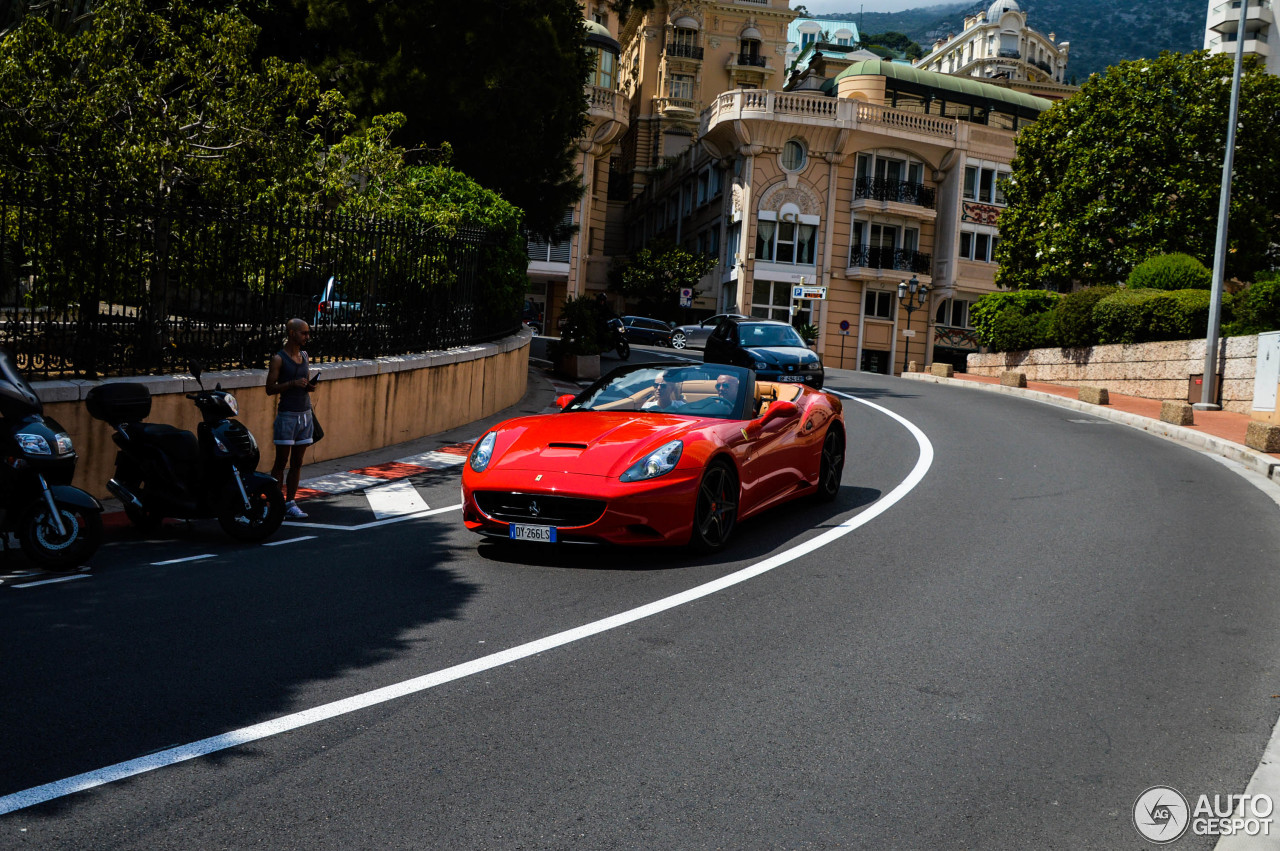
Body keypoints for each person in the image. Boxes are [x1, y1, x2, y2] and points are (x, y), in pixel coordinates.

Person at [266, 318, 317, 519]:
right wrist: (292, 384)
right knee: (281, 462)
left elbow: (305, 381)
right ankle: (275, 502)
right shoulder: (278, 359)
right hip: (287, 415)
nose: (307, 337)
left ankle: (290, 502)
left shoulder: (304, 355)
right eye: (303, 333)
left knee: (298, 462)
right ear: (291, 333)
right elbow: (270, 389)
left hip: (305, 414)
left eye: (307, 333)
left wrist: (309, 386)